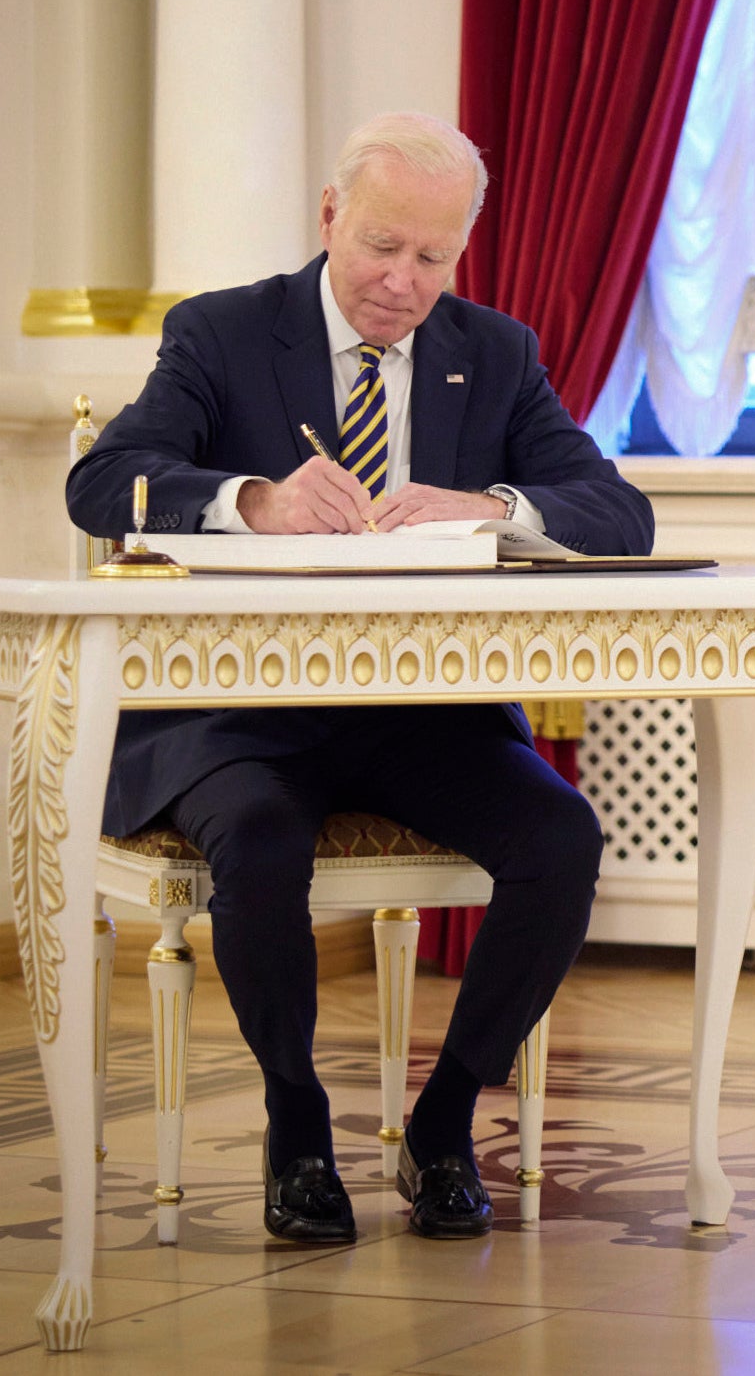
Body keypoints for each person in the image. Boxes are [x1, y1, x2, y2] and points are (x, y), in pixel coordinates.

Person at [67, 111, 652, 1247]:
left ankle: (441, 1125)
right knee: (260, 836)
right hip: (238, 712)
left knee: (561, 839)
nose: (404, 282)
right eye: (384, 246)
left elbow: (618, 512)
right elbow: (105, 485)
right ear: (330, 216)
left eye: (434, 258)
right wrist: (254, 500)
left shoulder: (497, 351)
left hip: (419, 715)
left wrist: (495, 507)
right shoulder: (225, 333)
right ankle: (298, 1125)